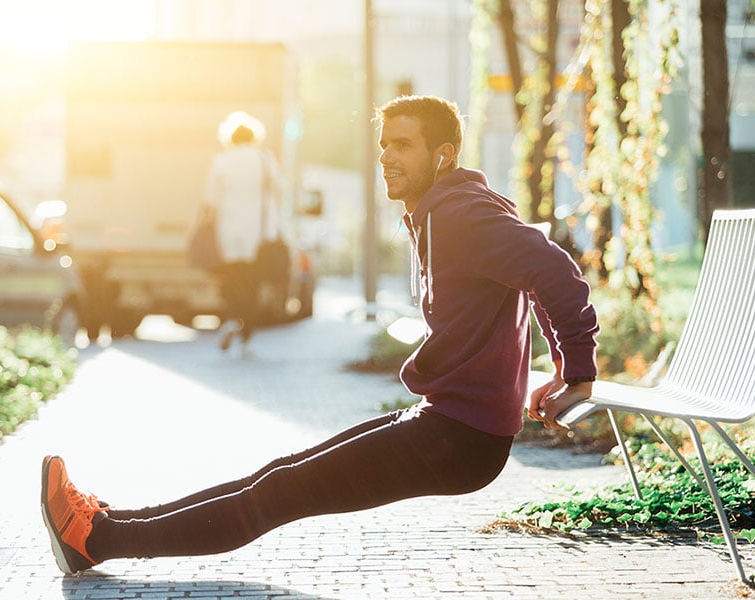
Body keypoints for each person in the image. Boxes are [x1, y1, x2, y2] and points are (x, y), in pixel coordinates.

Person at [40, 95, 600, 575]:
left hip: (460, 438)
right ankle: (107, 524)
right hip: (448, 422)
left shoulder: (460, 215)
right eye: (385, 145)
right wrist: (556, 370)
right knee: (276, 477)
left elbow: (553, 271)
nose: (386, 157)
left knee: (274, 498)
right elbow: (536, 277)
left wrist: (575, 373)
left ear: (442, 155)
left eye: (403, 146)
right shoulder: (442, 212)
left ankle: (96, 542)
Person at [203, 111, 284, 353]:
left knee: (232, 280)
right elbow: (280, 189)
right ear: (254, 137)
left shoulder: (220, 161)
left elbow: (210, 199)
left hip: (229, 231)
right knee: (253, 284)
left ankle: (231, 318)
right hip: (258, 234)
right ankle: (246, 333)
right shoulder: (264, 159)